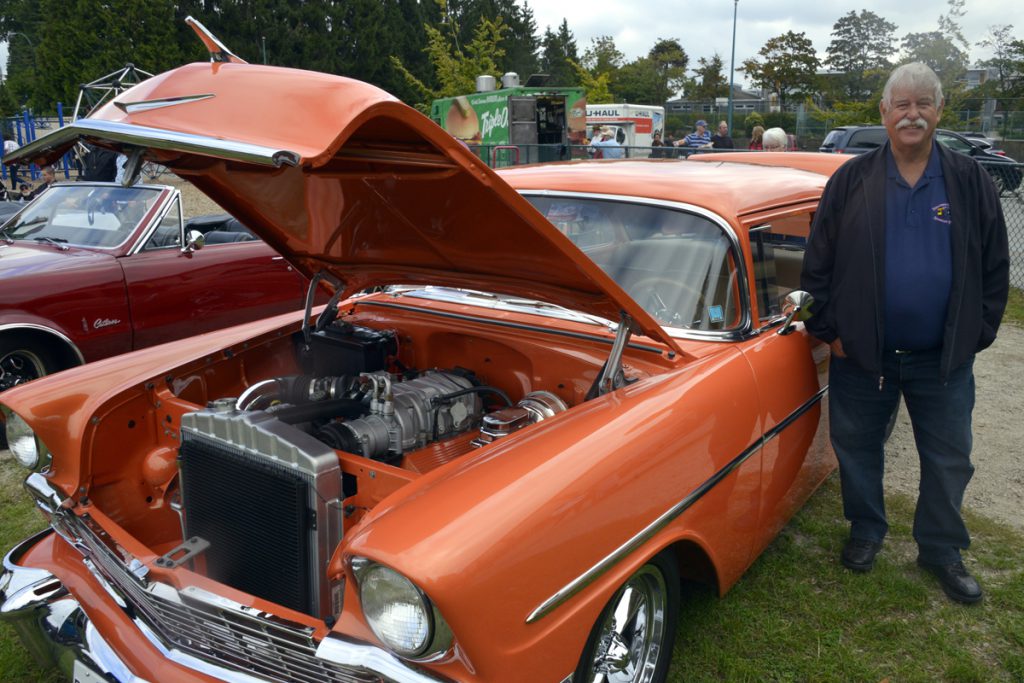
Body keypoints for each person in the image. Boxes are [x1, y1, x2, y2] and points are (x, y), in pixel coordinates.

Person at [800, 62, 1009, 605]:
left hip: (942, 357)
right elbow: (817, 263)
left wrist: (978, 331)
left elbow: (994, 265)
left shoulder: (968, 180)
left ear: (939, 111)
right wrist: (828, 329)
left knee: (949, 457)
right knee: (857, 447)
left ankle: (940, 548)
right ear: (884, 113)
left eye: (923, 104)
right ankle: (866, 529)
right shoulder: (852, 180)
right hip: (861, 354)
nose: (912, 114)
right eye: (902, 105)